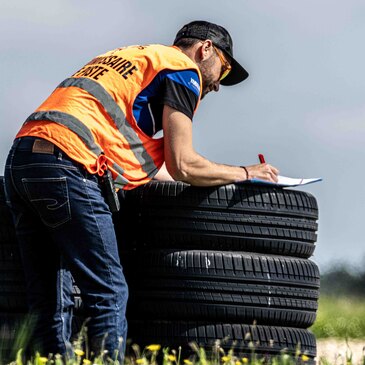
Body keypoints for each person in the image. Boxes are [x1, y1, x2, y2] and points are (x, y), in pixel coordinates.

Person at [3, 20, 279, 360]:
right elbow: (183, 164)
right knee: (109, 292)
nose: (218, 85)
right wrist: (245, 172)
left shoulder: (134, 59)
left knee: (49, 297)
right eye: (222, 71)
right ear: (205, 49)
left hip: (22, 162)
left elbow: (159, 166)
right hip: (69, 165)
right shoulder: (182, 68)